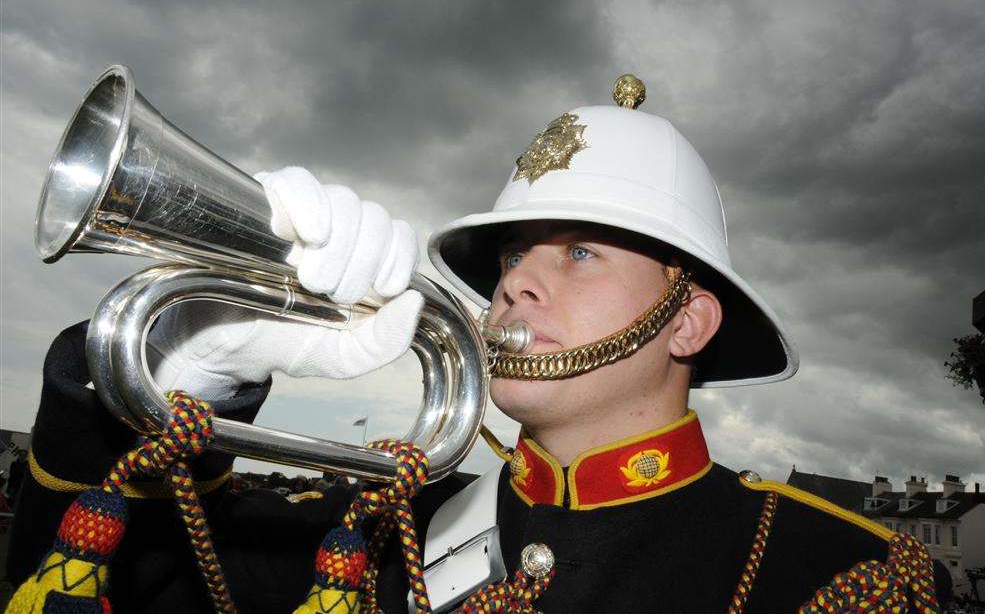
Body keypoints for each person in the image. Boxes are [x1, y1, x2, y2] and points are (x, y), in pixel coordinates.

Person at [6, 76, 942, 613]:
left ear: (688, 321)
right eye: (512, 255)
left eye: (579, 251)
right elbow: (95, 589)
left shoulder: (837, 573)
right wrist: (173, 373)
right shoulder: (379, 530)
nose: (515, 283)